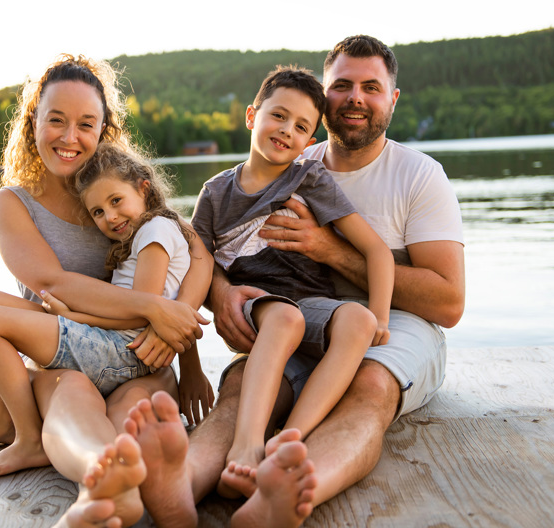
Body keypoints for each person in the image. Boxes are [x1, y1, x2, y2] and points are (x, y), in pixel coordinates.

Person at [124, 35, 465, 528]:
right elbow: (203, 256)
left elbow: (449, 304)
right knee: (241, 385)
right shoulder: (294, 163)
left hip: (392, 325)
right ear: (326, 103)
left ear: (392, 98)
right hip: (291, 310)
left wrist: (329, 252)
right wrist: (222, 296)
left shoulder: (417, 175)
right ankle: (179, 486)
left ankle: (284, 487)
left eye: (372, 87)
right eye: (343, 86)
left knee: (368, 384)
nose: (355, 97)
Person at [0, 54, 213, 528]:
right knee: (61, 392)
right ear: (33, 124)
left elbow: (196, 255)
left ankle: (132, 482)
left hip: (139, 356)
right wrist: (153, 309)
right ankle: (101, 481)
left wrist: (175, 332)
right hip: (66, 357)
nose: (70, 138)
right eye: (56, 121)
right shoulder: (13, 203)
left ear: (104, 128)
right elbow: (52, 284)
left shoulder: (117, 188)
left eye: (86, 124)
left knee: (134, 414)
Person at [189, 66, 394, 498]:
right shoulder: (215, 193)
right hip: (261, 306)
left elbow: (376, 251)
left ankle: (290, 438)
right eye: (278, 116)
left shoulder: (308, 178)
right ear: (251, 116)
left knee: (355, 320)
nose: (286, 131)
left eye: (301, 127)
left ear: (310, 142)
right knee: (283, 317)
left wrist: (378, 314)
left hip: (311, 304)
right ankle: (245, 447)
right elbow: (198, 263)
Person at [0, 141, 213, 483]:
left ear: (144, 187)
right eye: (97, 212)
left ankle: (30, 438)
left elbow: (145, 312)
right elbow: (153, 306)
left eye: (115, 201)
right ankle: (4, 421)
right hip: (115, 341)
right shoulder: (149, 229)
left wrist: (74, 317)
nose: (109, 217)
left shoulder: (155, 234)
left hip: (123, 351)